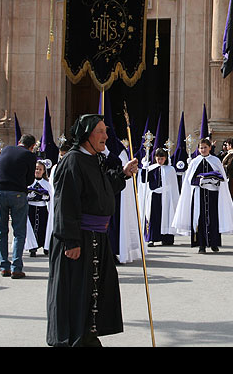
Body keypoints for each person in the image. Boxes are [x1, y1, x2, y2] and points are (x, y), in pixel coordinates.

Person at [46, 114, 138, 347]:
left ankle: (87, 335)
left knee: (93, 291)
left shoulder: (94, 159)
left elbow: (103, 190)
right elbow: (65, 204)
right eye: (101, 131)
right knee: (75, 291)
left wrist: (123, 174)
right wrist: (71, 241)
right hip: (78, 239)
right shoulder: (73, 161)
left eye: (106, 131)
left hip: (97, 237)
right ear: (87, 135)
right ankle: (73, 339)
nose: (106, 136)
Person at [172, 138, 233, 253]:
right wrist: (200, 181)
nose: (203, 150)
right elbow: (189, 180)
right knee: (199, 219)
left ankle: (214, 243)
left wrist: (212, 180)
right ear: (198, 149)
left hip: (212, 194)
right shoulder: (194, 162)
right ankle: (201, 245)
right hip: (199, 194)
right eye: (201, 148)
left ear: (209, 148)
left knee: (213, 218)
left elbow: (221, 178)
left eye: (205, 147)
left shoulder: (215, 161)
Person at [0, 134, 37, 279]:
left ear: (19, 142)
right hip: (18, 193)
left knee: (1, 231)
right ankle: (16, 267)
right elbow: (30, 180)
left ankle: (4, 265)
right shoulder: (29, 156)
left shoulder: (5, 150)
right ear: (31, 147)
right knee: (19, 231)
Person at [140, 147, 179, 247]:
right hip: (154, 196)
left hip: (166, 197)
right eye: (158, 158)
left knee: (166, 216)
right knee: (153, 217)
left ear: (165, 158)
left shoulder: (170, 169)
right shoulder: (151, 168)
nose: (160, 160)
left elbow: (173, 185)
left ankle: (166, 238)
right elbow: (144, 180)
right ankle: (152, 238)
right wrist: (144, 168)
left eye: (162, 158)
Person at [26, 159, 54, 257]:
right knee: (31, 228)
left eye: (40, 169)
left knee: (43, 228)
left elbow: (50, 197)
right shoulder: (28, 182)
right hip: (31, 209)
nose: (37, 171)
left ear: (43, 171)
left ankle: (45, 246)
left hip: (42, 210)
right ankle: (32, 248)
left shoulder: (47, 184)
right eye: (36, 169)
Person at [221, 138, 233, 207]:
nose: (226, 146)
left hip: (232, 177)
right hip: (230, 176)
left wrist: (221, 166)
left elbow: (229, 166)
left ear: (230, 145)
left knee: (231, 194)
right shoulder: (230, 153)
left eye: (227, 145)